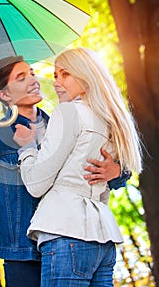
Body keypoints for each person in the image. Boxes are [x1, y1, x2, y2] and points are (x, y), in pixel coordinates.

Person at [0, 55, 132, 287]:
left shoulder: (66, 119)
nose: (34, 80)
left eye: (33, 73)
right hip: (23, 253)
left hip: (69, 238)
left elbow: (113, 166)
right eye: (21, 77)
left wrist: (117, 172)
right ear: (4, 95)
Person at [14, 48, 142, 287]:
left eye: (65, 75)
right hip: (103, 239)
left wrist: (28, 148)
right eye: (55, 76)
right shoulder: (111, 120)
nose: (57, 83)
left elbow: (35, 184)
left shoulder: (68, 112)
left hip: (66, 231)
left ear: (85, 76)